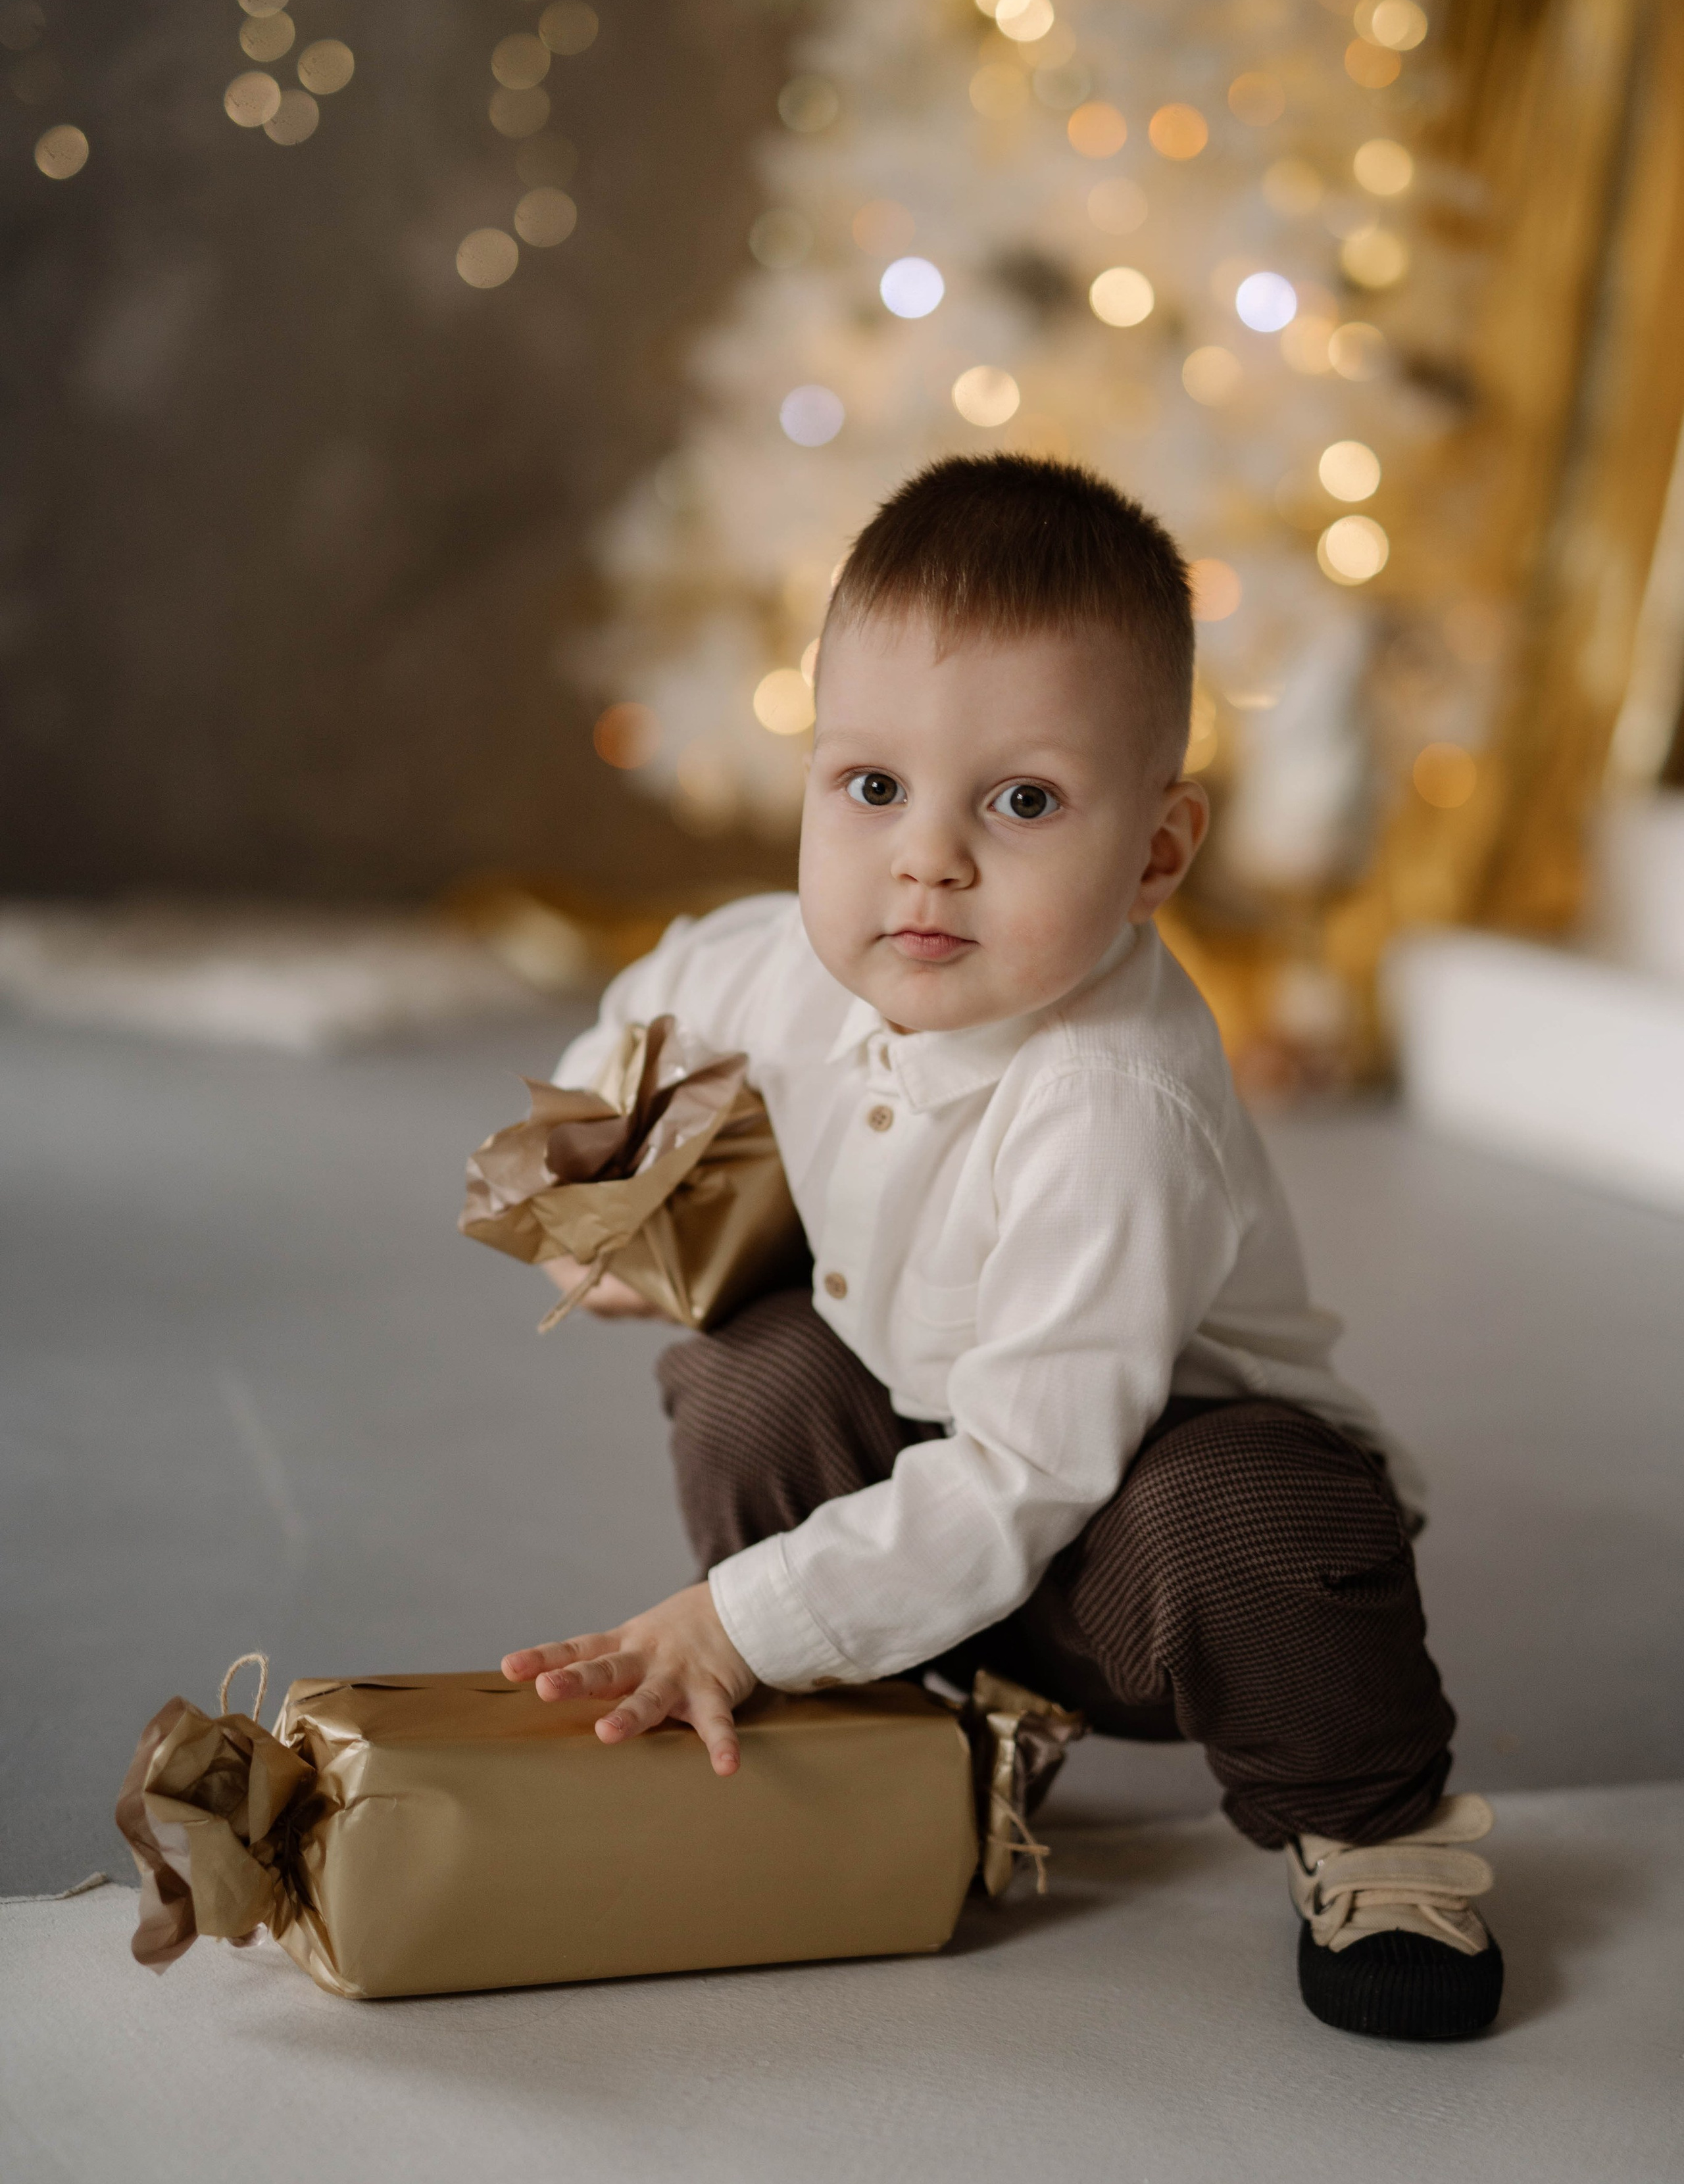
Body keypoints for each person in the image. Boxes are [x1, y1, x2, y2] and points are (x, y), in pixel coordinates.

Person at [502, 453, 1502, 2041]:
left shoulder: (1109, 1099)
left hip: (1133, 1528)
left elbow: (1035, 1472)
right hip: (931, 1453)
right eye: (872, 786)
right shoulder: (783, 962)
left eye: (1021, 801)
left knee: (1239, 1519)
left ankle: (1375, 1836)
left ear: (1158, 855)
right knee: (756, 1375)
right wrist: (603, 1211)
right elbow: (646, 1014)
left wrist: (734, 1618)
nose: (928, 858)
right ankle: (917, 1738)